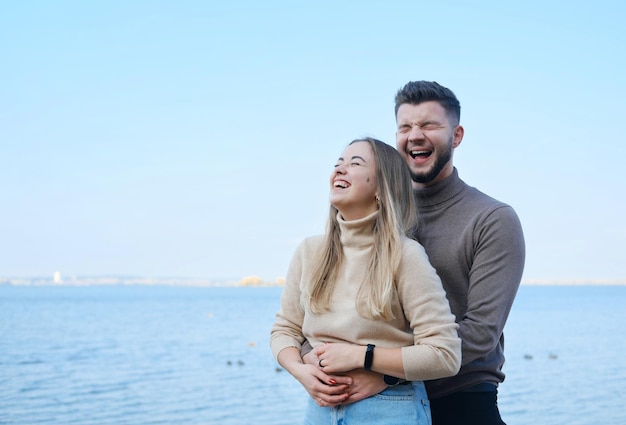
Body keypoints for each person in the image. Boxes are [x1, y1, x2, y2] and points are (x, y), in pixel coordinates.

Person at [303, 81, 526, 425]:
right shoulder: (370, 213)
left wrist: (384, 372)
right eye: (405, 127)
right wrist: (314, 363)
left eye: (430, 125)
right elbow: (327, 311)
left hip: (461, 400)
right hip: (373, 402)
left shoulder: (492, 220)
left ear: (457, 135)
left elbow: (480, 332)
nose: (415, 135)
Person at [270, 137, 461, 424]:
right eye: (338, 164)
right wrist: (301, 372)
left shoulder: (405, 255)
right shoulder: (309, 251)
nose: (340, 170)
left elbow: (444, 355)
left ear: (381, 188)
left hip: (391, 409)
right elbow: (284, 330)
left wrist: (363, 357)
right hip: (318, 412)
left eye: (355, 163)